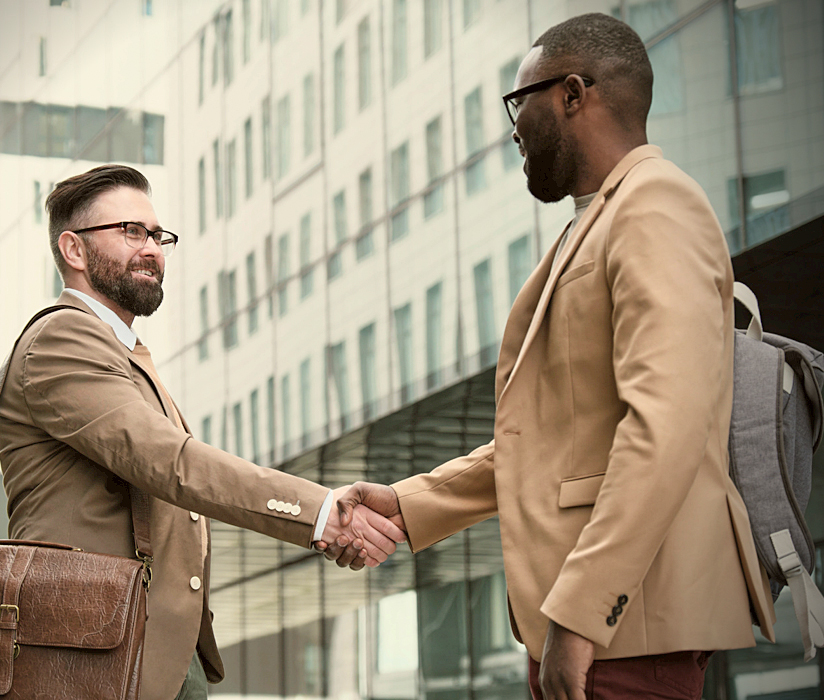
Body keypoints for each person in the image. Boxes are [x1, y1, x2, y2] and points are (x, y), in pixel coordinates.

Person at [320, 13, 776, 700]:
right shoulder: (595, 224)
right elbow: (549, 443)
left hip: (624, 629)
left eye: (519, 102)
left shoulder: (656, 208)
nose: (513, 130)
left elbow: (665, 429)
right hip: (591, 626)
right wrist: (408, 503)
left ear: (571, 93)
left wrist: (582, 615)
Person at [0, 164, 405, 700]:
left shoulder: (121, 351)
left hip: (144, 646)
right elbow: (173, 463)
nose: (152, 249)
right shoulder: (62, 338)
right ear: (73, 250)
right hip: (88, 655)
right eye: (130, 232)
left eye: (157, 236)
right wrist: (323, 513)